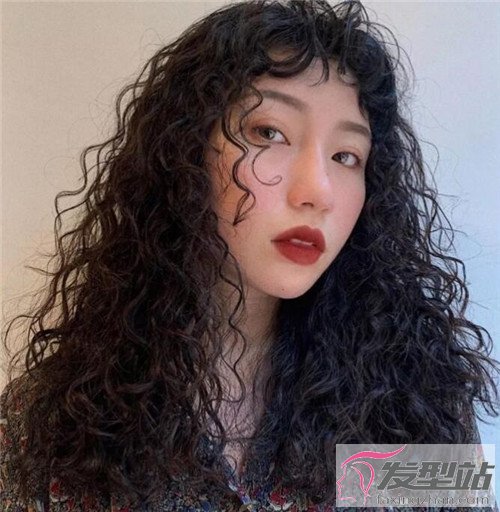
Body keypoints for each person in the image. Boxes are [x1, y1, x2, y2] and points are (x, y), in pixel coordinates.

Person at [1, 0, 499, 511]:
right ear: (185, 150)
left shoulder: (417, 407)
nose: (318, 191)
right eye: (269, 133)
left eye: (346, 156)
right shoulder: (44, 426)